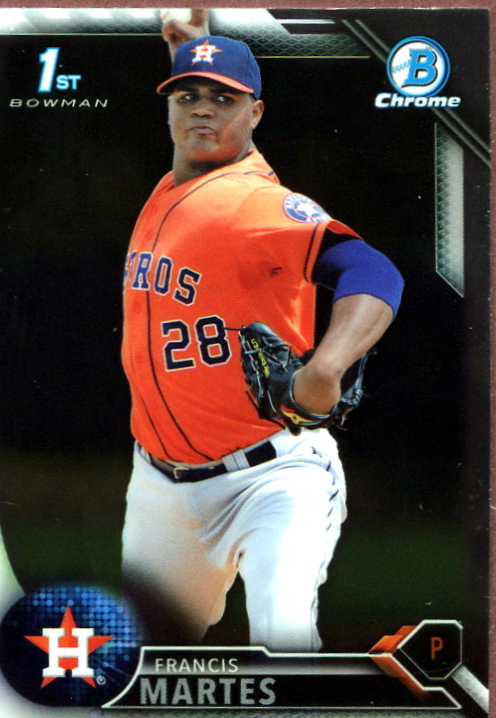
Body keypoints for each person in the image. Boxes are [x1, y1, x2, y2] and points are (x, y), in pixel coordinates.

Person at [120, 11, 403, 651]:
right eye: (187, 96)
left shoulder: (254, 202)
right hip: (159, 487)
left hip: (272, 477)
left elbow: (372, 269)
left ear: (256, 114)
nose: (202, 110)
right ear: (168, 108)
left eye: (225, 99)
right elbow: (204, 117)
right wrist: (195, 51)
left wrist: (326, 366)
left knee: (283, 640)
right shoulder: (172, 187)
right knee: (146, 672)